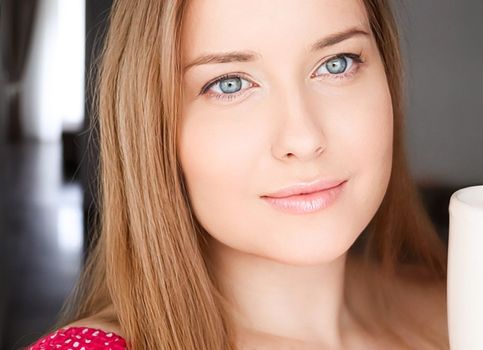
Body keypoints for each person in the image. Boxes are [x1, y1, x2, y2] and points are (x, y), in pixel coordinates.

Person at [27, 0, 448, 349]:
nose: (303, 139)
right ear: (154, 130)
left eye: (336, 63)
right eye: (229, 84)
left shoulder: (470, 310)